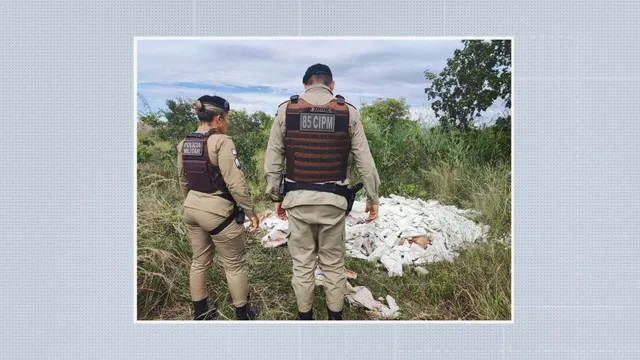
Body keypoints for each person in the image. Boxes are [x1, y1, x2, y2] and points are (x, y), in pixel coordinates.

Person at [264, 64, 381, 320]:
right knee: (333, 264)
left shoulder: (286, 110)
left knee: (303, 264)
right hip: (334, 202)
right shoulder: (348, 113)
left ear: (305, 84)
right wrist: (373, 199)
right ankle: (334, 319)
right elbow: (365, 161)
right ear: (332, 85)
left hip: (297, 200)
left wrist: (276, 197)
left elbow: (273, 160)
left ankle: (304, 319)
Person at [177, 95, 260, 320]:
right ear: (220, 118)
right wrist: (250, 212)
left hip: (191, 208)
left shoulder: (185, 143)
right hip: (218, 214)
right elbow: (235, 183)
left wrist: (192, 203)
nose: (228, 123)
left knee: (199, 261)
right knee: (234, 264)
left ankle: (201, 312)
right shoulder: (223, 141)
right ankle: (243, 313)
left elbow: (183, 180)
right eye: (228, 118)